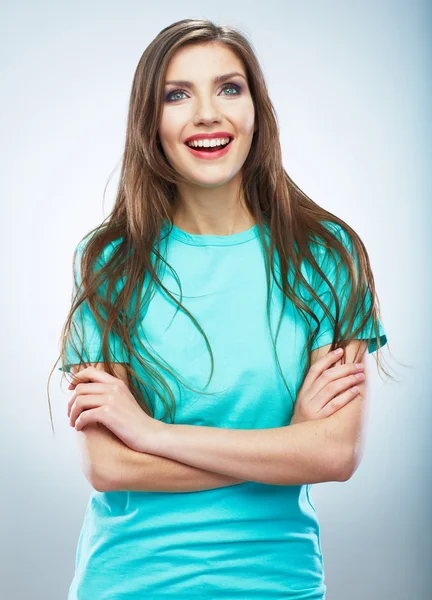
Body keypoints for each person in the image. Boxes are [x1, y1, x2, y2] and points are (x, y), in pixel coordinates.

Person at [55, 18, 390, 600]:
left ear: (257, 110)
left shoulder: (329, 256)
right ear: (149, 121)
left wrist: (149, 432)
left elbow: (335, 453)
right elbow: (110, 466)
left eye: (229, 88)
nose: (207, 113)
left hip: (278, 583)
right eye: (177, 94)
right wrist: (289, 442)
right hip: (132, 583)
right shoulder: (109, 261)